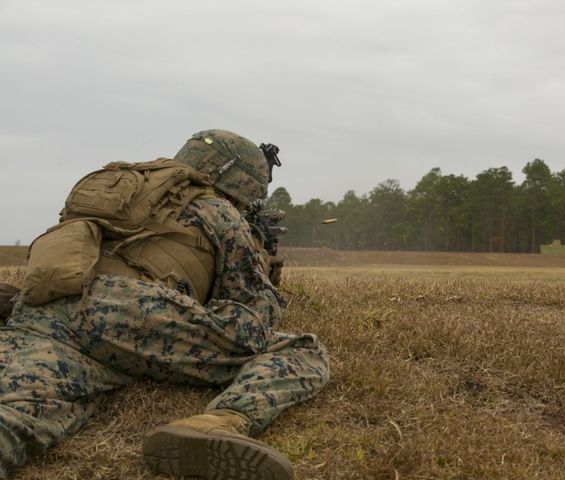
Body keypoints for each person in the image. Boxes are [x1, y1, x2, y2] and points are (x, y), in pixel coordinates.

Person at [0, 130, 330, 480]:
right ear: (240, 186)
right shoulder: (218, 211)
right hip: (132, 317)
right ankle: (218, 423)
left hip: (47, 309)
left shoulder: (117, 194)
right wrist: (259, 265)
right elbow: (250, 322)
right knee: (302, 350)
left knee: (21, 412)